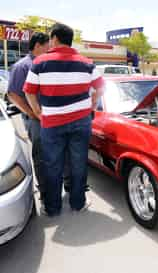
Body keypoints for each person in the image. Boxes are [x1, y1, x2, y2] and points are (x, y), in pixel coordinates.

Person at [23, 23, 104, 216]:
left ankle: (52, 208)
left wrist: (38, 112)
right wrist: (91, 105)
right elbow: (100, 88)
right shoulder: (86, 62)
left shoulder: (40, 62)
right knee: (78, 162)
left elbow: (29, 91)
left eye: (50, 39)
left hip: (52, 123)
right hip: (81, 122)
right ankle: (78, 203)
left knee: (52, 164)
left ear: (55, 38)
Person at [7, 32, 50, 201]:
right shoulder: (22, 66)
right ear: (38, 45)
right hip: (35, 120)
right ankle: (45, 191)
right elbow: (13, 95)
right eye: (48, 46)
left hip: (50, 117)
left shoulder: (45, 64)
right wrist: (32, 113)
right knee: (40, 154)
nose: (49, 49)